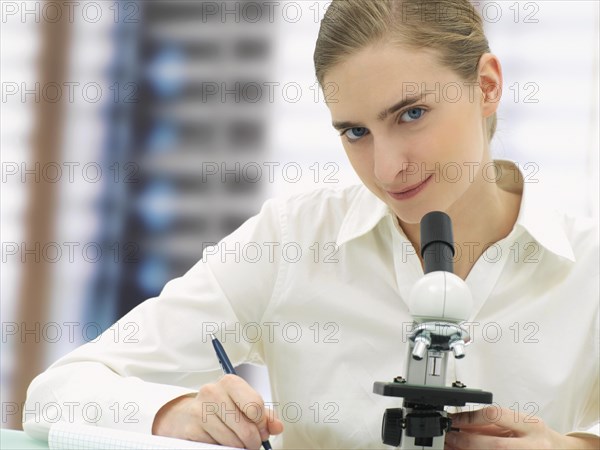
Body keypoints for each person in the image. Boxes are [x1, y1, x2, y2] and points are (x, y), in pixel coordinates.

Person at [24, 1, 599, 449]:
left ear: (488, 86)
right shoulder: (291, 243)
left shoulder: (588, 265)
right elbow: (55, 395)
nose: (387, 167)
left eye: (412, 114)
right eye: (355, 131)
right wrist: (174, 414)